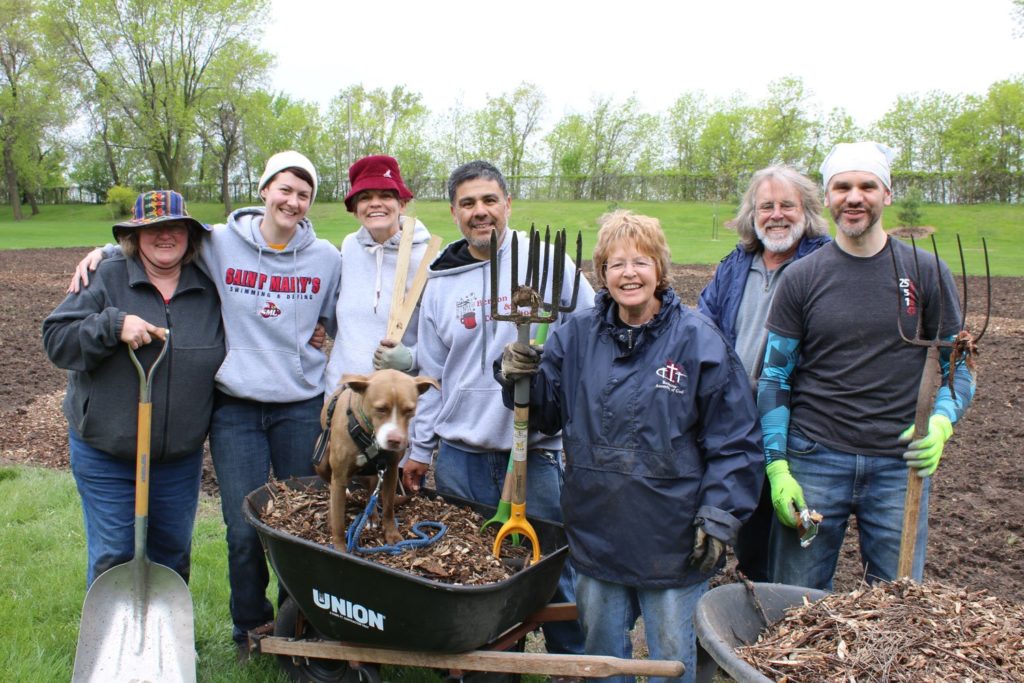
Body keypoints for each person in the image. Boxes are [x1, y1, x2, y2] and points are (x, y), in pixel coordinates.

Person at [69, 151, 342, 658]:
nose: (293, 200)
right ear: (264, 190)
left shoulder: (326, 258)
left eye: (304, 194)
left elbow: (342, 318)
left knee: (302, 524)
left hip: (298, 406)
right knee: (243, 529)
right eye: (284, 188)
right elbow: (153, 243)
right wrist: (101, 253)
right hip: (236, 407)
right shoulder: (220, 243)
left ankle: (301, 627)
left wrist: (327, 355)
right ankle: (251, 630)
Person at [496, 210, 763, 683]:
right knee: (602, 661)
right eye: (616, 264)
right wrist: (517, 380)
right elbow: (544, 413)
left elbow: (736, 441)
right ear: (602, 275)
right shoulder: (575, 336)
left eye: (641, 261)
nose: (629, 274)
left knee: (672, 660)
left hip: (673, 538)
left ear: (660, 270)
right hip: (596, 528)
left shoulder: (699, 341)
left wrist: (719, 516)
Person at [759, 141, 976, 591]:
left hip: (901, 466)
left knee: (898, 611)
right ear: (829, 196)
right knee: (792, 604)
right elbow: (776, 377)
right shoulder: (803, 277)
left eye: (866, 186)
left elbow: (957, 368)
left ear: (886, 194)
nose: (854, 197)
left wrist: (940, 423)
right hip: (814, 460)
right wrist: (778, 467)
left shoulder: (926, 272)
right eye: (842, 187)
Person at [403, 160, 595, 658]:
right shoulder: (442, 281)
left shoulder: (545, 262)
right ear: (453, 212)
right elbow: (432, 373)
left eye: (490, 200)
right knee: (473, 577)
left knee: (554, 578)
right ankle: (492, 667)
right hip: (462, 456)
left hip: (538, 455)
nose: (480, 211)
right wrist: (420, 449)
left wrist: (552, 373)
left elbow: (592, 333)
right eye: (468, 203)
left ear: (507, 204)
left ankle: (573, 666)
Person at [43, 190, 225, 589]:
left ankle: (165, 645)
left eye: (174, 227)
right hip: (106, 450)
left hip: (178, 457)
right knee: (114, 553)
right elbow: (56, 340)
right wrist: (110, 326)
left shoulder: (211, 288)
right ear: (134, 236)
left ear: (190, 235)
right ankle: (110, 645)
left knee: (173, 553)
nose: (165, 236)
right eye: (152, 228)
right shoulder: (105, 276)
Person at [697, 165, 831, 582]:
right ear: (751, 214)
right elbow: (704, 329)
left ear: (806, 210)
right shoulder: (735, 266)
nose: (776, 215)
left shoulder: (825, 264)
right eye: (766, 206)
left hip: (797, 424)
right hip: (735, 421)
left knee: (791, 545)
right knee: (749, 541)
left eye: (787, 205)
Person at [323, 154, 432, 393]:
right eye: (365, 197)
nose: (375, 203)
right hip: (341, 393)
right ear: (355, 209)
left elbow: (443, 337)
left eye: (385, 195)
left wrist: (411, 358)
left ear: (402, 204)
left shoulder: (428, 257)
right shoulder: (349, 247)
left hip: (395, 401)